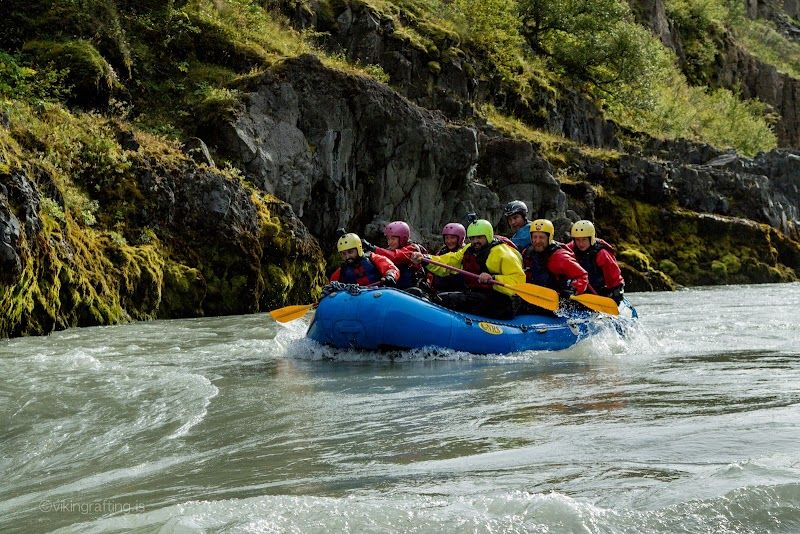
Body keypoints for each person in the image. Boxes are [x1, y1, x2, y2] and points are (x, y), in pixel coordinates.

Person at [410, 218, 525, 319]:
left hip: (504, 302)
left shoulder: (504, 253)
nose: (475, 241)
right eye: (473, 238)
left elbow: (518, 281)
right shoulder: (470, 249)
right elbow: (450, 261)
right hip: (479, 295)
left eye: (479, 237)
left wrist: (494, 278)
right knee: (444, 298)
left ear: (488, 236)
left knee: (450, 300)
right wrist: (425, 258)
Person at [521, 219, 588, 313]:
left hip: (555, 301)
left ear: (549, 237)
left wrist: (572, 290)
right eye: (534, 237)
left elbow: (582, 275)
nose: (537, 241)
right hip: (536, 296)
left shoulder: (560, 256)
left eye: (541, 237)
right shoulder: (527, 253)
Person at [566, 220, 625, 303]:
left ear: (591, 238)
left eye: (584, 240)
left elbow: (614, 277)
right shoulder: (569, 249)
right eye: (578, 240)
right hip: (576, 289)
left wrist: (616, 293)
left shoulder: (602, 254)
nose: (581, 244)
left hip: (597, 291)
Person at [361, 221, 427, 290]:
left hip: (411, 289)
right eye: (388, 239)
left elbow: (395, 256)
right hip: (396, 288)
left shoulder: (412, 249)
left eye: (393, 239)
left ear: (403, 238)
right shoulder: (389, 250)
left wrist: (371, 247)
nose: (389, 242)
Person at [330, 232, 399, 287]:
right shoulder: (341, 271)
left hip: (379, 294)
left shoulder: (373, 258)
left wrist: (390, 276)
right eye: (343, 254)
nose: (347, 257)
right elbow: (330, 286)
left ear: (359, 249)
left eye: (350, 252)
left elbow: (391, 268)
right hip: (356, 300)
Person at [429, 223, 467, 292]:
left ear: (460, 238)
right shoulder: (442, 251)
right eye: (446, 238)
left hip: (456, 290)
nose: (449, 241)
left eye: (452, 238)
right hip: (440, 289)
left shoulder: (465, 253)